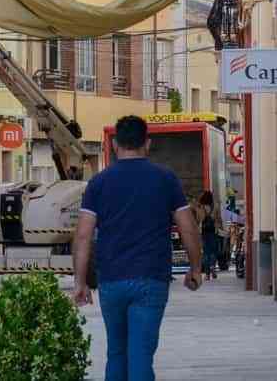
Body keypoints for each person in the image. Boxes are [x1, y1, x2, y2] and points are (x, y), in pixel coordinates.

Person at [72, 115, 203, 381]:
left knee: (117, 353)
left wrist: (80, 282)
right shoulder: (165, 179)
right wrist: (195, 268)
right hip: (151, 278)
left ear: (115, 144)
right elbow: (188, 227)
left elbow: (83, 236)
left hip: (111, 279)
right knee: (141, 355)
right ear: (148, 143)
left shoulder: (99, 183)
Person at [196, 190, 224, 280]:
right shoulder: (215, 206)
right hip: (213, 231)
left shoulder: (200, 207)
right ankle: (213, 266)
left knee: (206, 252)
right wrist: (221, 228)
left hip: (203, 232)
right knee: (213, 251)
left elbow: (198, 219)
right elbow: (219, 219)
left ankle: (207, 274)